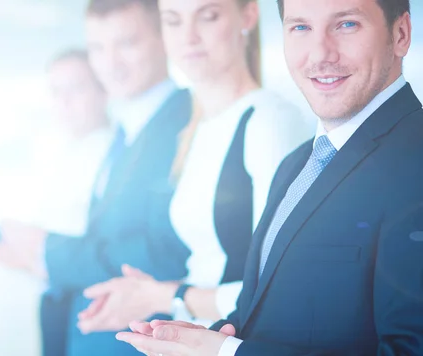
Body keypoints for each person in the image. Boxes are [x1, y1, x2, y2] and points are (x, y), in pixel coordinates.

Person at [116, 0, 423, 355]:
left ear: (401, 34)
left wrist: (226, 353)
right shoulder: (298, 165)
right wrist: (204, 338)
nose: (320, 53)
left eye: (346, 25)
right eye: (300, 28)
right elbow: (265, 310)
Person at [78, 0, 312, 334]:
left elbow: (286, 289)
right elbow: (209, 266)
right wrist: (145, 295)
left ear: (247, 15)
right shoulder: (196, 129)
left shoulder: (268, 121)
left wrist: (165, 294)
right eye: (173, 21)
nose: (188, 37)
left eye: (208, 17)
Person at [0, 0, 193, 355]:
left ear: (165, 37)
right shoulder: (126, 133)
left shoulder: (187, 124)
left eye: (127, 43)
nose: (110, 64)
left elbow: (167, 250)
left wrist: (47, 250)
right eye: (98, 48)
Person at [0, 49, 112, 271]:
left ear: (104, 91)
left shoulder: (113, 156)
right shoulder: (55, 149)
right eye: (55, 91)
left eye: (77, 89)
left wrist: (32, 253)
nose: (64, 101)